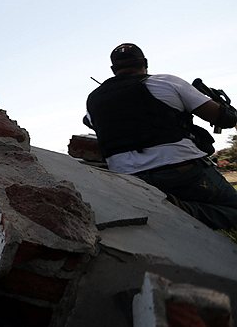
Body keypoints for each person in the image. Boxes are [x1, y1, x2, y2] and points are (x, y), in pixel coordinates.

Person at [86, 43, 237, 230]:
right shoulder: (165, 82)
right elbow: (224, 119)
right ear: (145, 62)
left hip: (130, 180)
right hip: (183, 170)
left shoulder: (92, 100)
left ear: (113, 69)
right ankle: (183, 210)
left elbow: (92, 123)